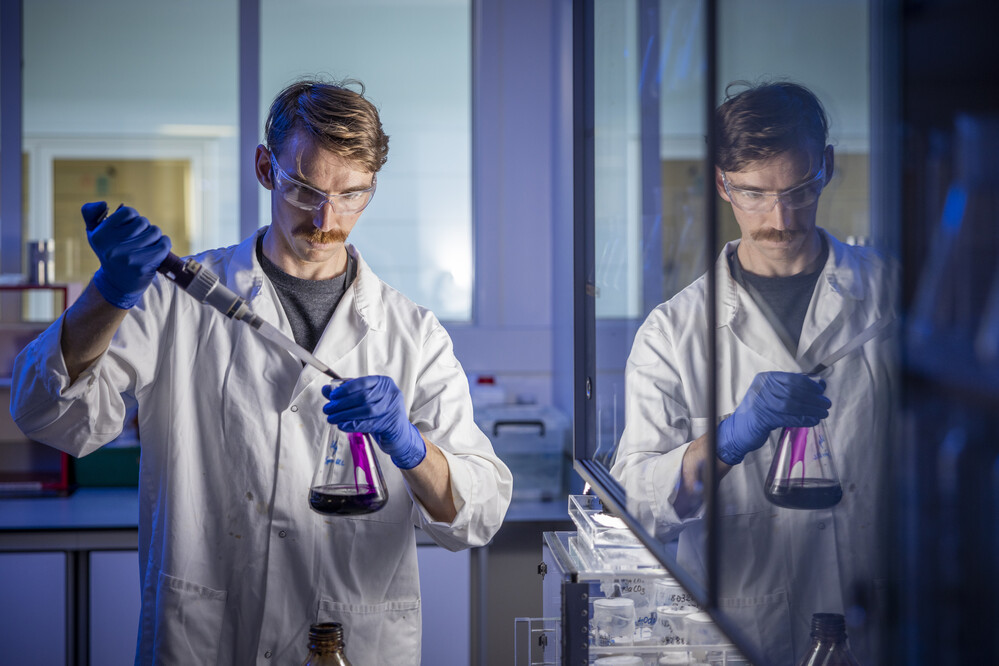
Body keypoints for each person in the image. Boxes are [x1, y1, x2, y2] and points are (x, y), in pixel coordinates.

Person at [10, 77, 512, 665]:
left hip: (351, 642)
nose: (327, 218)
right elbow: (49, 416)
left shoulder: (413, 334)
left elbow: (477, 516)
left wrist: (409, 447)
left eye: (352, 194)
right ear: (265, 168)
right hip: (207, 637)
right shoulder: (179, 298)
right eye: (305, 188)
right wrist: (109, 293)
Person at [610, 81, 896, 665]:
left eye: (799, 190)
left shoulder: (892, 294)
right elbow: (636, 508)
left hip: (886, 625)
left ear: (827, 168)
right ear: (721, 184)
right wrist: (728, 439)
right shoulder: (672, 334)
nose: (780, 217)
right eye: (755, 194)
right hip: (749, 633)